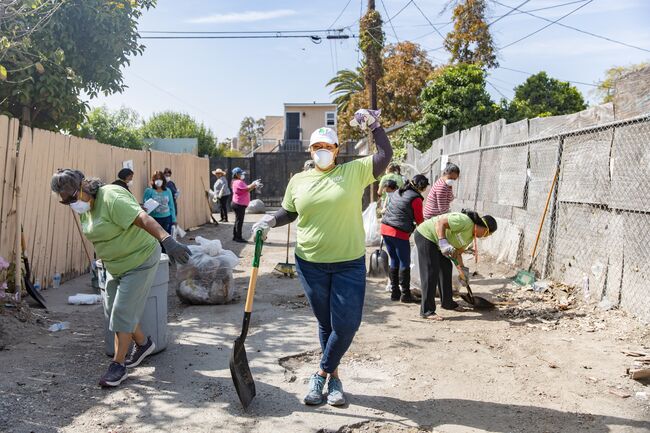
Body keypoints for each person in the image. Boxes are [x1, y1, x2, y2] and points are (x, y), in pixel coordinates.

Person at [251, 108, 392, 407]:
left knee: (347, 324)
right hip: (310, 263)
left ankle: (320, 373)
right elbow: (289, 211)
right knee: (326, 323)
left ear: (337, 151)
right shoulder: (298, 180)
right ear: (310, 150)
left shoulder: (353, 172)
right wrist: (269, 221)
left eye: (328, 147)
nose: (322, 152)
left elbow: (385, 155)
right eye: (317, 147)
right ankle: (336, 381)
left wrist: (375, 125)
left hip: (349, 262)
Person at [50, 169, 191, 387]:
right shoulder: (86, 207)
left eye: (73, 197)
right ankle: (144, 344)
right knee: (113, 308)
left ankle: (118, 365)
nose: (72, 204)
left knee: (122, 311)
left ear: (84, 186)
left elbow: (142, 217)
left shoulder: (111, 197)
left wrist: (167, 240)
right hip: (115, 265)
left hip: (140, 259)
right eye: (66, 201)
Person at [414, 210, 497, 321]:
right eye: (486, 233)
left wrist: (462, 271)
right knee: (431, 272)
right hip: (426, 236)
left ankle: (448, 303)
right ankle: (427, 311)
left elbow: (457, 253)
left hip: (438, 244)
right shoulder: (464, 221)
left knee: (446, 267)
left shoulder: (469, 238)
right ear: (482, 227)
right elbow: (440, 223)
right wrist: (443, 242)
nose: (484, 236)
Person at [381, 174, 429, 302]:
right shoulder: (416, 199)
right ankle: (406, 294)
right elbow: (420, 221)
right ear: (421, 187)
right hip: (399, 232)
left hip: (385, 229)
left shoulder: (399, 191)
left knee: (394, 260)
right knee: (404, 262)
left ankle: (395, 292)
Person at [230, 167, 262, 243]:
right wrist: (254, 184)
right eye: (240, 173)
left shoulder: (238, 181)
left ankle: (235, 236)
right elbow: (246, 189)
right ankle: (238, 237)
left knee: (238, 221)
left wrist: (254, 185)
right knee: (239, 221)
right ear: (236, 175)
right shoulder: (238, 182)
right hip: (238, 204)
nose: (242, 175)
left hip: (238, 204)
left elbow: (247, 189)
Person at [144, 171, 177, 235]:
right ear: (153, 180)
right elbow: (145, 206)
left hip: (167, 218)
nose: (158, 181)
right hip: (154, 219)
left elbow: (171, 206)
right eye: (156, 179)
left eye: (160, 179)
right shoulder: (149, 191)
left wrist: (174, 220)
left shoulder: (167, 191)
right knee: (155, 239)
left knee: (166, 238)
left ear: (163, 180)